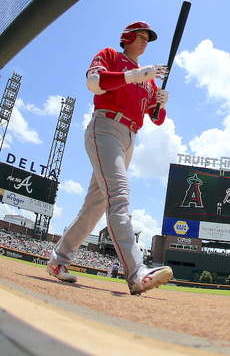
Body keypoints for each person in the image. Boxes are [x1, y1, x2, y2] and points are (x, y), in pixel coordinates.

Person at [46, 21, 173, 295]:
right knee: (119, 195)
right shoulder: (112, 57)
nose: (144, 41)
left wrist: (161, 101)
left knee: (94, 206)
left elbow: (156, 118)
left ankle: (58, 260)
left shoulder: (148, 78)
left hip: (130, 137)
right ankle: (136, 271)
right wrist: (135, 75)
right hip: (105, 128)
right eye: (140, 36)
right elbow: (94, 83)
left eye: (147, 38)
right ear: (127, 37)